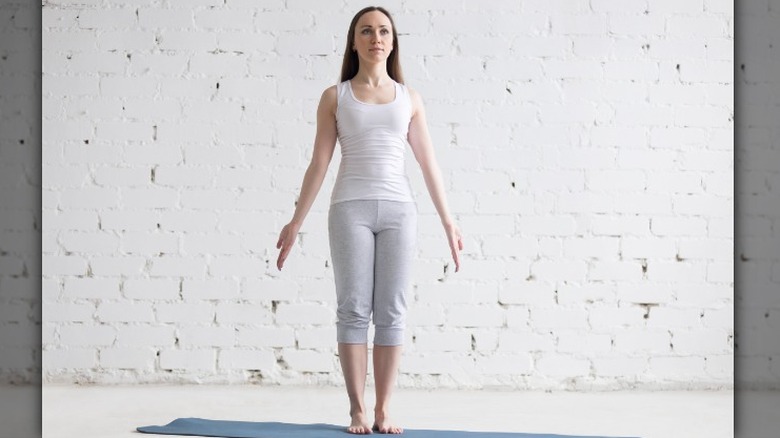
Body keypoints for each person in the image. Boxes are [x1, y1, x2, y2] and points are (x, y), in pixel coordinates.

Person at [275, 6, 463, 435]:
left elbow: (428, 163)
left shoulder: (410, 98)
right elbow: (319, 164)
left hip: (399, 211)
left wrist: (448, 222)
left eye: (383, 31)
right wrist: (295, 222)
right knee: (354, 308)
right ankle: (358, 410)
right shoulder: (335, 97)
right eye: (366, 31)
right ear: (354, 42)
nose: (376, 38)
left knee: (392, 311)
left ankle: (383, 410)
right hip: (350, 210)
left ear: (392, 42)